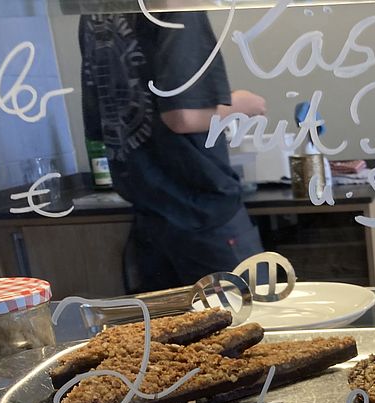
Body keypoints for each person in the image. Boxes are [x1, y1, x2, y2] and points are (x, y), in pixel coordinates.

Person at [79, 11, 266, 293]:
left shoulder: (95, 14)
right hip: (202, 210)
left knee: (164, 321)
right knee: (248, 317)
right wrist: (242, 104)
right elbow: (183, 117)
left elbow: (98, 123)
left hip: (148, 213)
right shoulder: (176, 6)